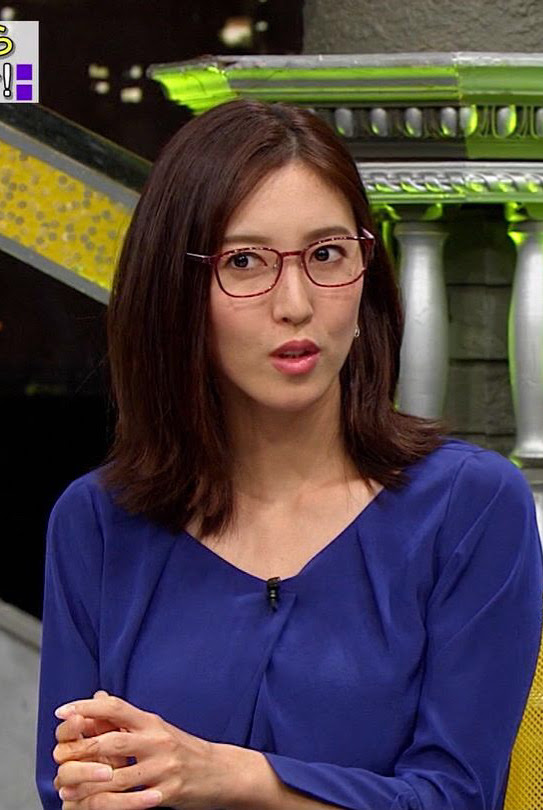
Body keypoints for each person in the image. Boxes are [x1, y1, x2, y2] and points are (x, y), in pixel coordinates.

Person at [36, 98, 543, 810]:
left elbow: (458, 795)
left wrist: (228, 777)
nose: (296, 304)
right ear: (176, 291)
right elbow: (69, 784)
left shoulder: (470, 505)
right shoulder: (97, 521)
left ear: (366, 271)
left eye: (327, 254)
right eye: (245, 262)